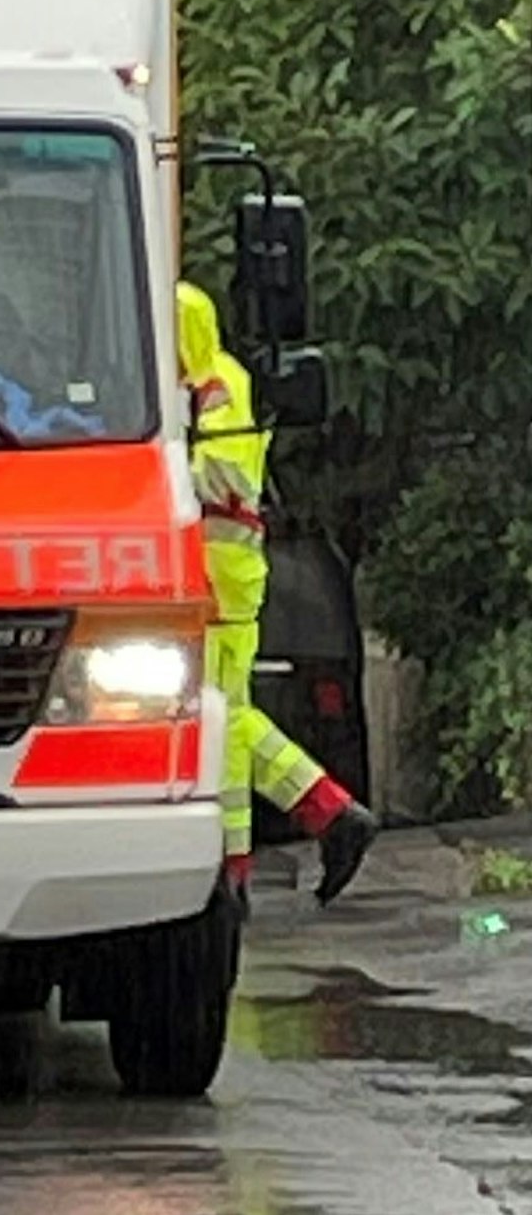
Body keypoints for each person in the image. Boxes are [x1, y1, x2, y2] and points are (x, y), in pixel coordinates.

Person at [178, 281, 378, 910]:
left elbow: (227, 476)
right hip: (208, 570)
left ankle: (232, 875)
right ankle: (331, 814)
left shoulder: (220, 386)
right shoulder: (202, 385)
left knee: (223, 718)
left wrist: (166, 459)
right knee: (224, 711)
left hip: (222, 573)